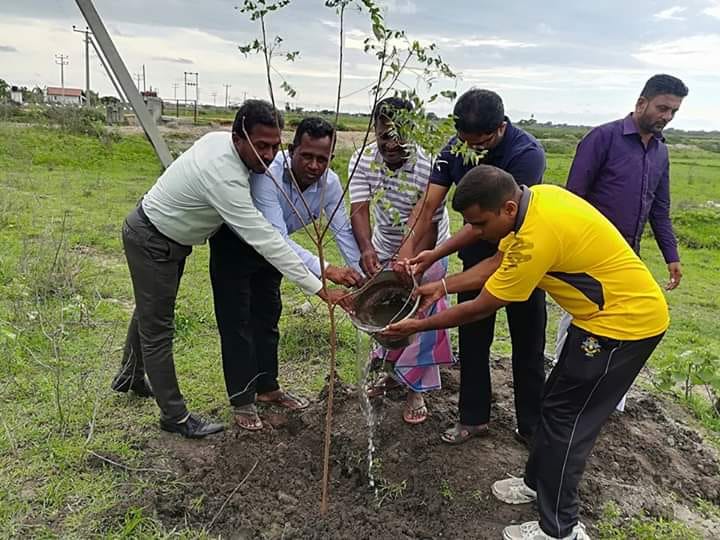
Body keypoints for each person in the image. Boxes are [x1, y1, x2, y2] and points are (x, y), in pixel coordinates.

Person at [385, 165, 668, 540]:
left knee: (567, 422)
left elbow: (482, 306)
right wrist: (443, 286)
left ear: (505, 208)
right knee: (553, 405)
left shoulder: (535, 237)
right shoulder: (534, 202)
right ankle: (536, 484)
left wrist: (417, 325)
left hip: (624, 327)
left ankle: (560, 529)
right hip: (598, 320)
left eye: (480, 224)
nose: (477, 232)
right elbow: (496, 263)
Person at [111, 100, 346, 439]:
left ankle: (129, 375)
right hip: (152, 238)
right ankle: (174, 415)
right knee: (157, 327)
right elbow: (267, 238)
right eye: (260, 145)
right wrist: (320, 287)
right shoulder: (225, 176)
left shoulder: (223, 144)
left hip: (173, 238)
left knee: (150, 310)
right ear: (238, 138)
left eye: (274, 146)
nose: (268, 156)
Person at [398, 89, 547, 445]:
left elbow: (485, 223)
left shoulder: (526, 154)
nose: (471, 149)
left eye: (480, 143)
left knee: (528, 344)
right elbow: (429, 204)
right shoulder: (453, 149)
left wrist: (436, 254)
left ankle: (532, 427)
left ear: (500, 128)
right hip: (475, 260)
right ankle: (473, 418)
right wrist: (408, 253)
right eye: (465, 141)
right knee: (473, 337)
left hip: (523, 258)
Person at [213, 116, 363, 431]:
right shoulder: (269, 175)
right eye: (306, 156)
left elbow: (342, 232)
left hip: (276, 254)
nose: (314, 165)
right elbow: (275, 237)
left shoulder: (330, 184)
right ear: (291, 150)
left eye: (322, 159)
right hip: (237, 243)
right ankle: (243, 399)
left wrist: (363, 277)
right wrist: (327, 270)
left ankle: (267, 388)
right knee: (238, 322)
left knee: (268, 316)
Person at [555, 73, 688, 411]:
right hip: (587, 257)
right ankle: (560, 393)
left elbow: (659, 209)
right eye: (662, 108)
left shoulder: (660, 152)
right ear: (641, 102)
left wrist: (671, 255)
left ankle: (608, 402)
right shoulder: (602, 138)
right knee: (580, 323)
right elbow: (573, 200)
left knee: (625, 323)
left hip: (628, 257)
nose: (667, 117)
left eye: (673, 111)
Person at [349, 97, 453, 424]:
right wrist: (367, 249)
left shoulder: (430, 164)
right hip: (385, 245)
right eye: (384, 137)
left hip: (428, 249)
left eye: (400, 136)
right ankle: (391, 374)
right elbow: (359, 209)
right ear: (374, 131)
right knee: (386, 316)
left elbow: (426, 221)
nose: (392, 144)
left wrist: (412, 262)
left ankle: (416, 389)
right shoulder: (363, 160)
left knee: (421, 313)